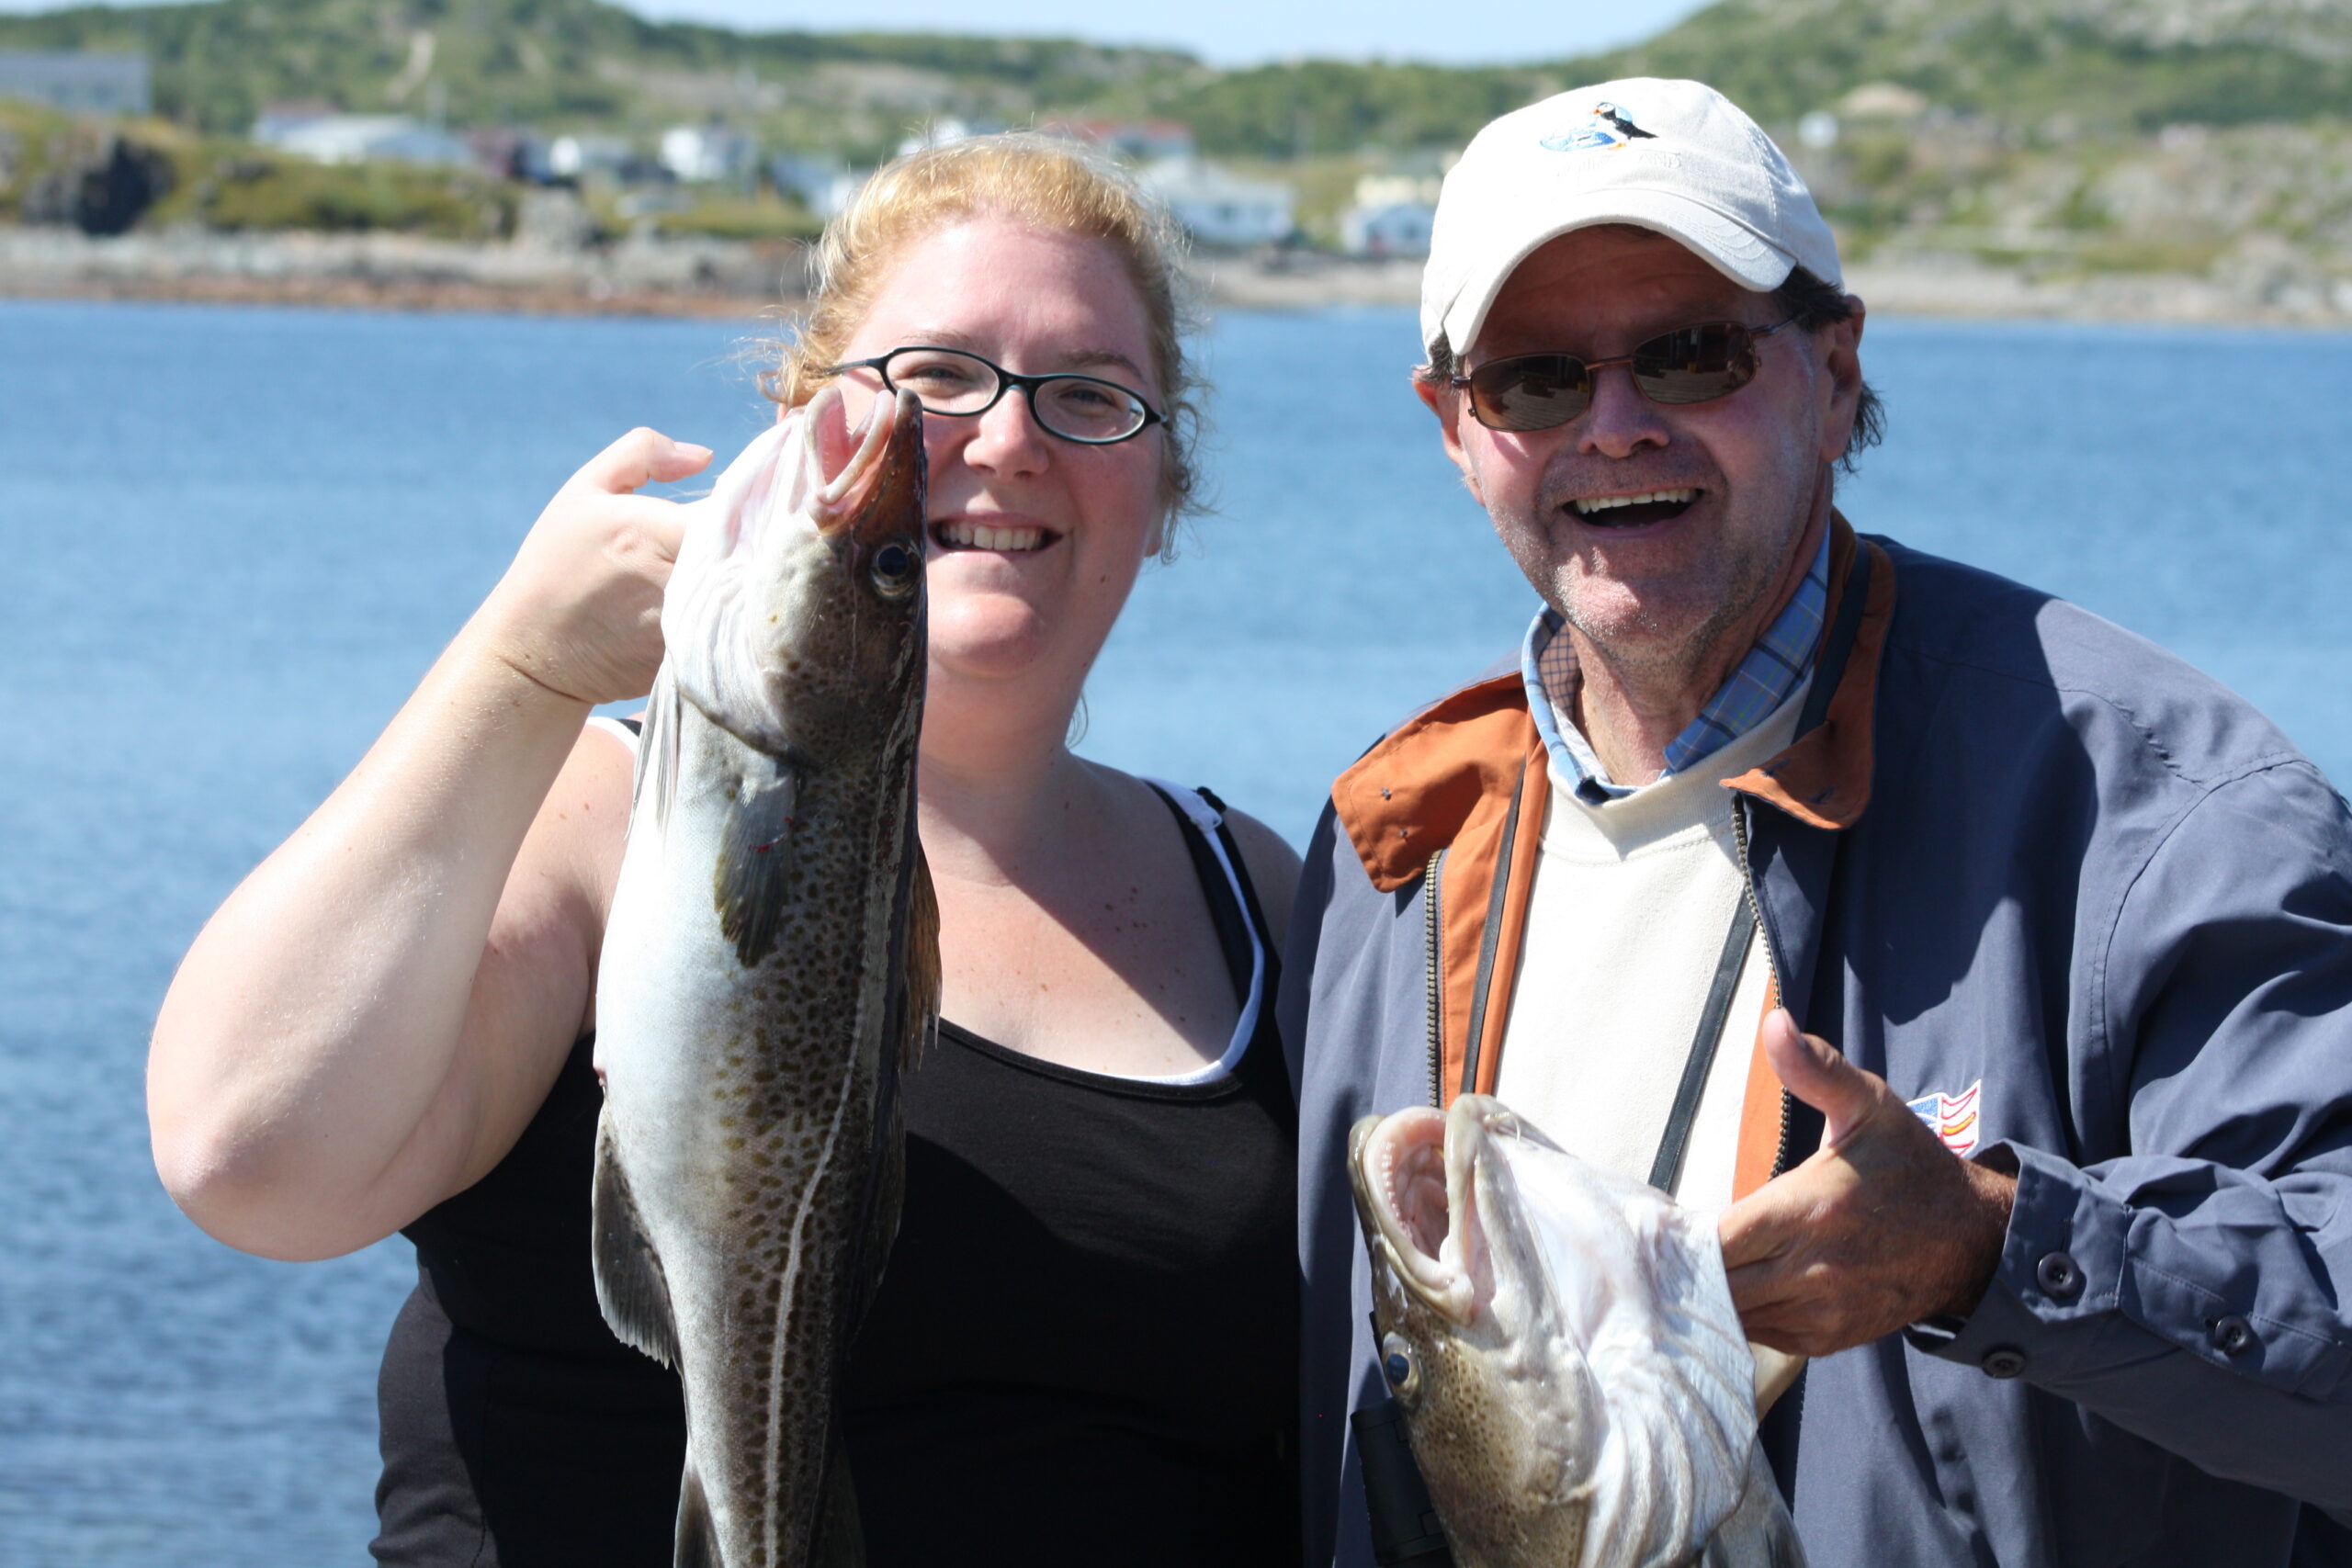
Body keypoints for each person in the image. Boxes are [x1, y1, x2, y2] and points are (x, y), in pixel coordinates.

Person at [147, 133, 1302, 1568]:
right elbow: (249, 1158)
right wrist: (519, 665)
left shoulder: (1262, 903)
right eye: (934, 380)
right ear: (803, 412)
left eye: (1088, 396)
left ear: (1164, 476)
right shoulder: (583, 815)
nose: (1005, 440)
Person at [1284, 78, 2352, 1568]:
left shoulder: (2159, 815)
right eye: (1532, 378)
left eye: (1690, 353)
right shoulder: (1394, 852)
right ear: (1454, 429)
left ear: (1837, 370)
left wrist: (1991, 1250)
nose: (1613, 425)